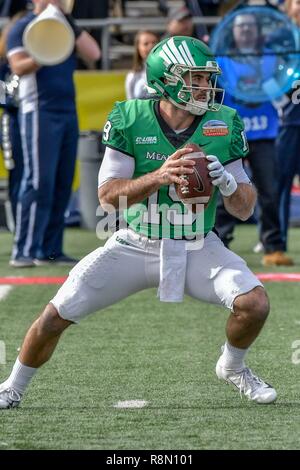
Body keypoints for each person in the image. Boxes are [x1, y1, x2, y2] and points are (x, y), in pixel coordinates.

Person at [0, 36, 277, 409]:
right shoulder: (130, 117)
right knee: (54, 316)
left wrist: (228, 184)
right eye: (195, 79)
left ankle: (232, 366)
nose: (206, 87)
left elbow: (244, 209)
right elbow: (107, 196)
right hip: (136, 241)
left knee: (255, 303)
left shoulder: (222, 123)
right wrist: (159, 177)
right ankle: (12, 386)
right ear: (168, 79)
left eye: (208, 79)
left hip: (198, 242)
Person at [6, 0, 101, 267]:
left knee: (62, 181)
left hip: (66, 111)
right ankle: (24, 249)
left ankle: (50, 250)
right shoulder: (24, 26)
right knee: (39, 180)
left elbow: (93, 53)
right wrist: (45, 51)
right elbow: (18, 66)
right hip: (38, 110)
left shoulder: (66, 26)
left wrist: (67, 23)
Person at [215, 12, 294, 266]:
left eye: (250, 26)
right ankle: (218, 242)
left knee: (269, 191)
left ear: (257, 31)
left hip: (264, 134)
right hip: (230, 136)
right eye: (241, 27)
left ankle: (273, 246)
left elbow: (280, 98)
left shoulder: (271, 60)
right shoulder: (222, 61)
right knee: (223, 188)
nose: (246, 31)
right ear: (233, 31)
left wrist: (267, 84)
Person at [125, 30, 159, 100]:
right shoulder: (132, 76)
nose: (151, 46)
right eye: (146, 44)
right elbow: (131, 105)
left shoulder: (169, 72)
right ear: (138, 48)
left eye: (154, 42)